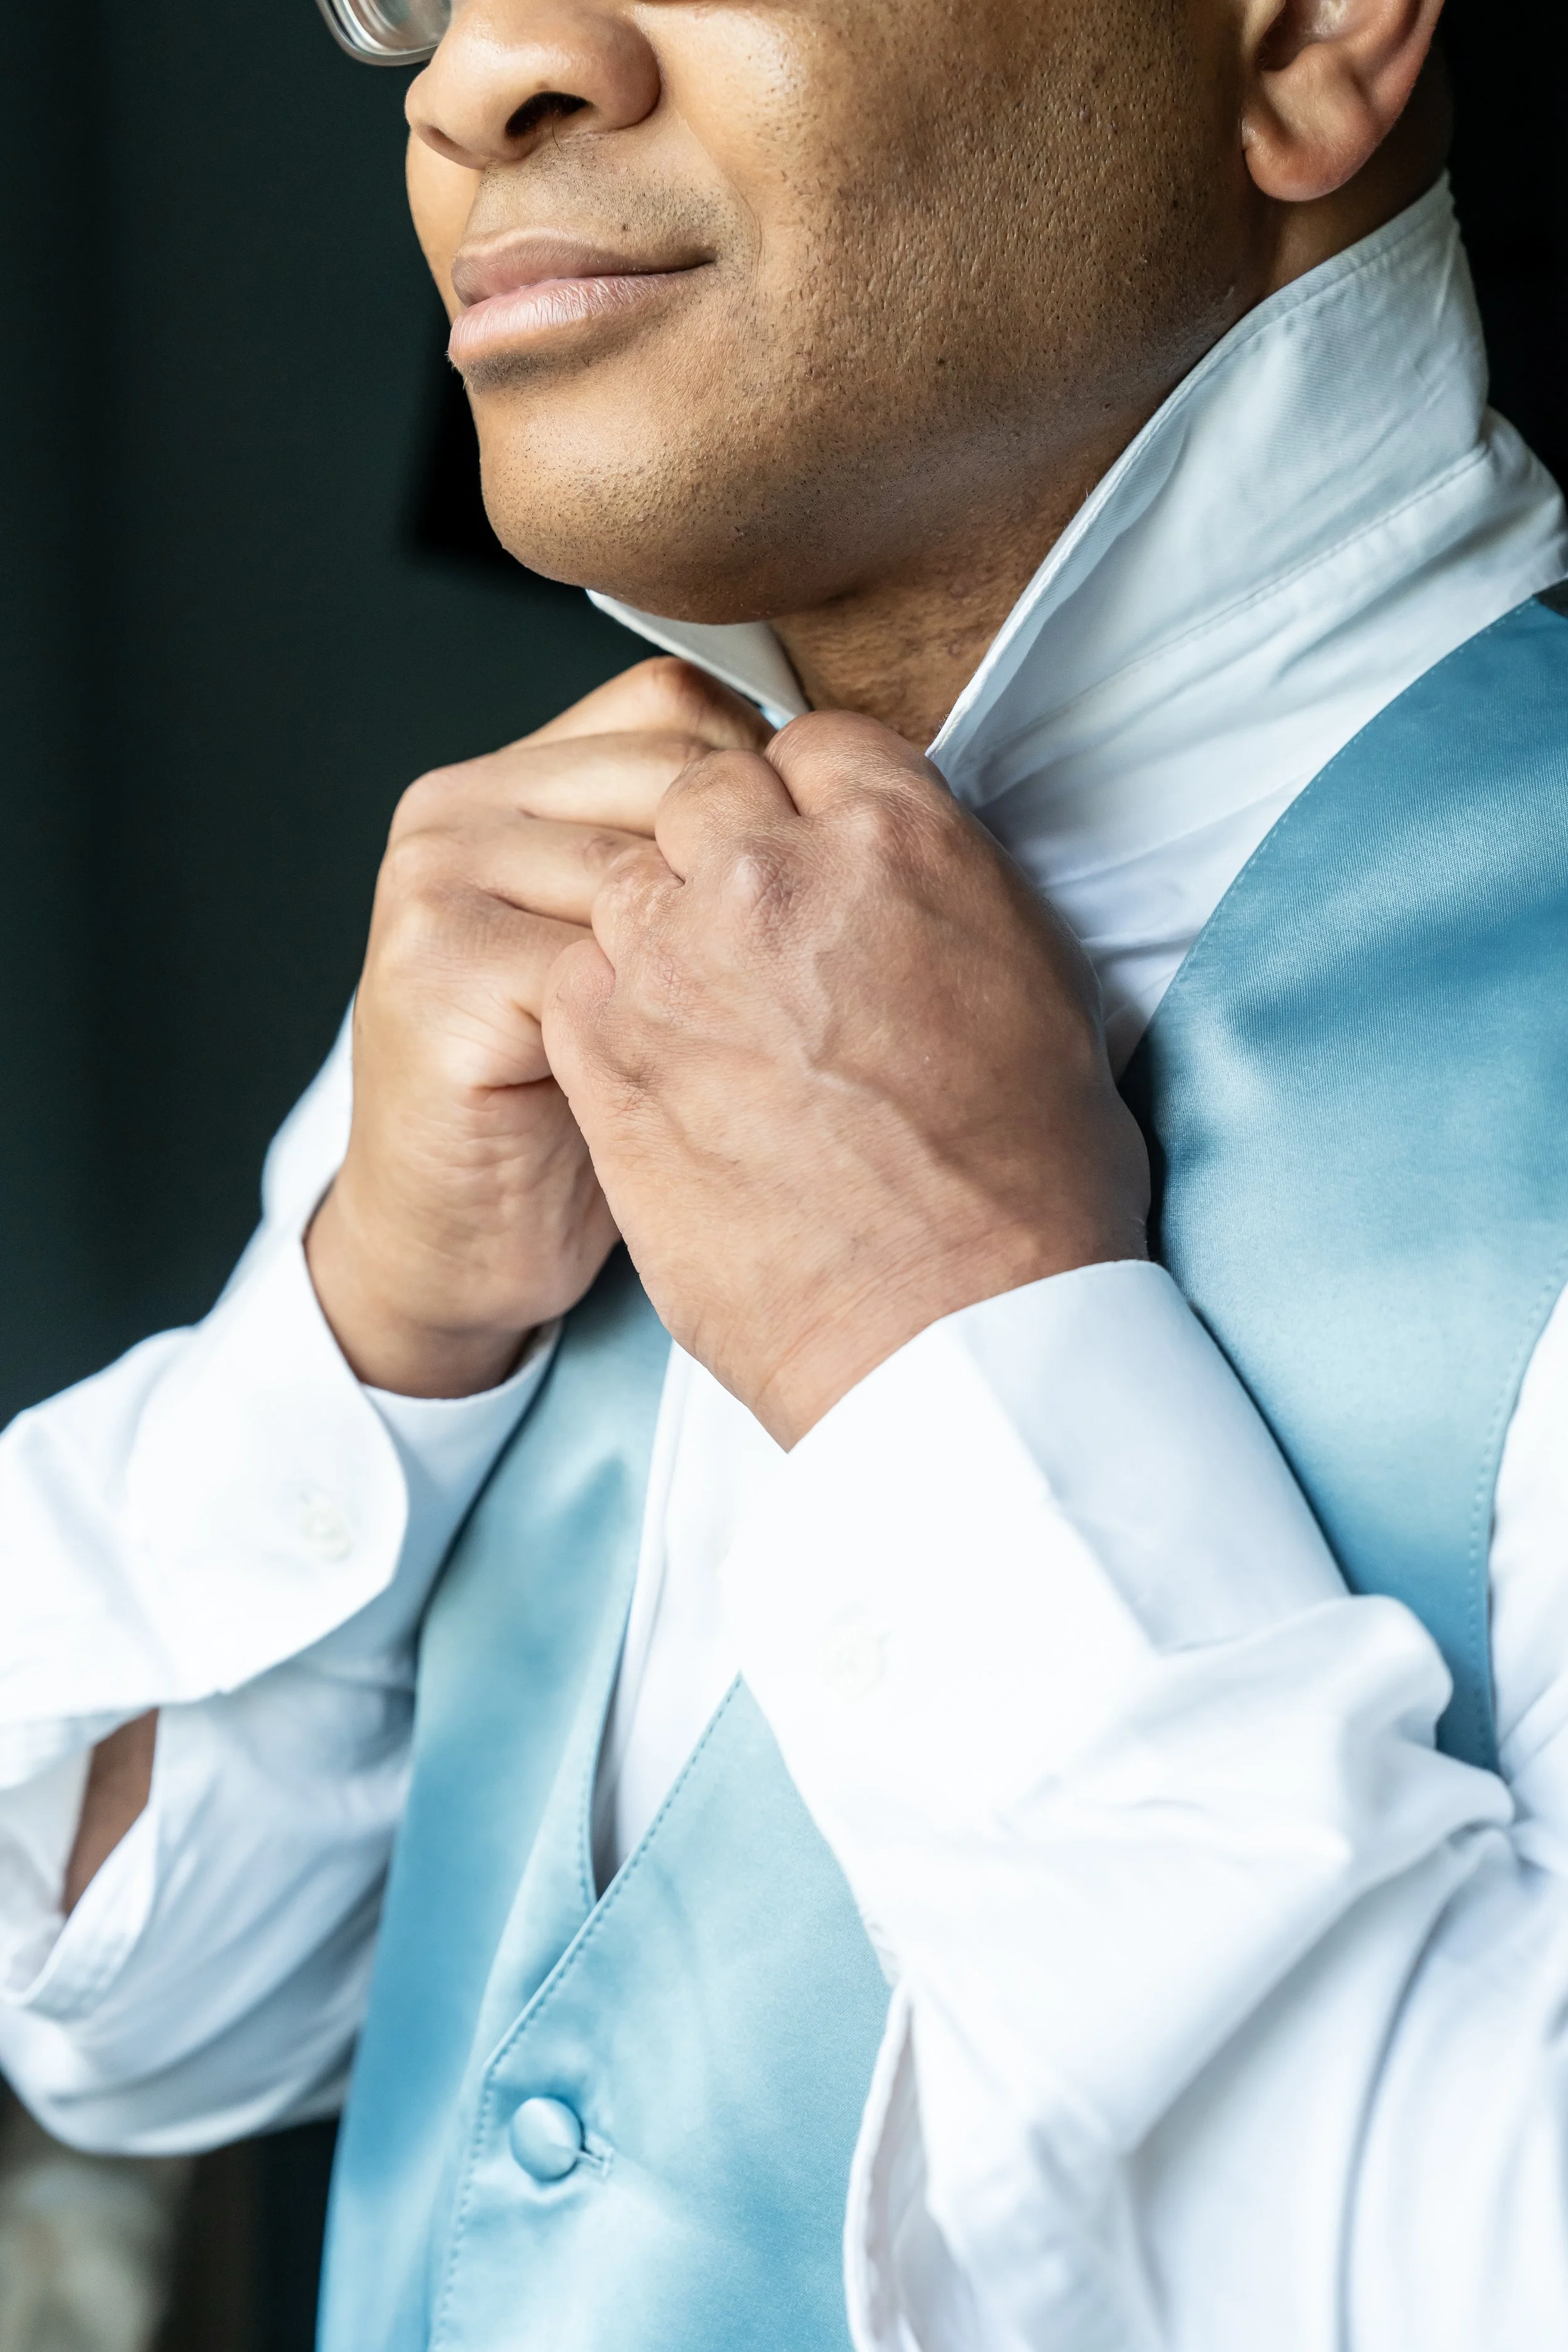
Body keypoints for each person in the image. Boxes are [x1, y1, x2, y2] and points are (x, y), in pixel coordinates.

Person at [1, 0, 1565, 2340]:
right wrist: (363, 1341)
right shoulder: (561, 979)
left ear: (1307, 28)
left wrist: (943, 1348)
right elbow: (135, 2007)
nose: (470, 78)